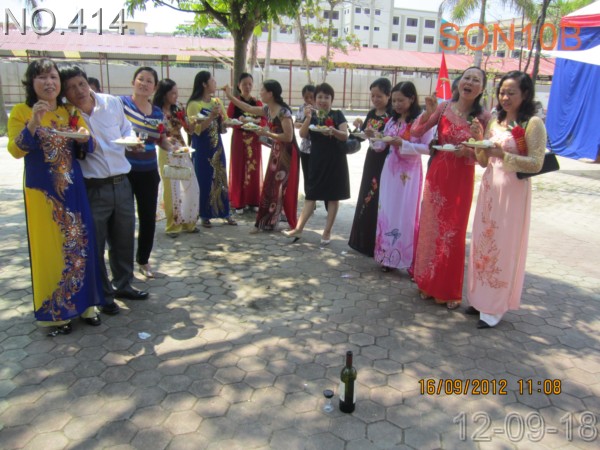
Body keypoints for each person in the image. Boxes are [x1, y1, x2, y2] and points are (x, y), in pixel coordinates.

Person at [7, 58, 104, 336]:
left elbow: (89, 145)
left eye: (53, 77)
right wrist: (34, 123)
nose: (49, 82)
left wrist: (84, 138)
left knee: (81, 244)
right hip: (43, 195)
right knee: (50, 250)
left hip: (74, 190)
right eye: (42, 77)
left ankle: (86, 306)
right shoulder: (21, 111)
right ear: (31, 82)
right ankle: (56, 313)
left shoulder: (68, 111)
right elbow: (15, 150)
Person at [61, 65, 149, 310]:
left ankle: (124, 284)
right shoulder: (66, 115)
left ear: (87, 82)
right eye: (71, 88)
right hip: (92, 188)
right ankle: (103, 295)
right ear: (65, 93)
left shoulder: (111, 103)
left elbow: (126, 129)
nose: (79, 91)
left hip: (122, 183)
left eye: (81, 84)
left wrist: (132, 141)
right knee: (95, 244)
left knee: (123, 240)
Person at [466, 71, 546, 329]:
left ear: (525, 94)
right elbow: (483, 161)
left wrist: (503, 155)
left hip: (513, 193)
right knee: (483, 243)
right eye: (502, 92)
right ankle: (480, 299)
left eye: (511, 92)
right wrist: (478, 141)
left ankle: (495, 307)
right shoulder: (495, 121)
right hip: (489, 189)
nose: (505, 97)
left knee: (503, 246)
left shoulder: (533, 123)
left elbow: (536, 163)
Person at [411, 67, 491, 310]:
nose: (470, 82)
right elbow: (416, 132)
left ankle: (448, 290)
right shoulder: (444, 107)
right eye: (467, 78)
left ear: (481, 89)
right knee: (430, 229)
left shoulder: (484, 117)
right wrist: (427, 113)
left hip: (461, 179)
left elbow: (484, 158)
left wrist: (471, 149)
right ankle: (426, 282)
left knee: (453, 234)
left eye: (476, 80)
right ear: (458, 82)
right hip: (437, 177)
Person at [372, 82, 434, 273]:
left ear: (412, 99)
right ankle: (386, 256)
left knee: (406, 214)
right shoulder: (392, 121)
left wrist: (404, 144)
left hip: (409, 176)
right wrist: (374, 137)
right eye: (394, 100)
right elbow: (381, 146)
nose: (397, 104)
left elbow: (428, 148)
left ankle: (407, 260)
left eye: (401, 100)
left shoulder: (421, 121)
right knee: (387, 211)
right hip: (389, 172)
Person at [224, 79, 299, 233]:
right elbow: (248, 108)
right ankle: (264, 223)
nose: (260, 92)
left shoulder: (283, 112)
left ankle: (282, 223)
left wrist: (267, 133)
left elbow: (288, 137)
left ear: (270, 94)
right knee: (270, 186)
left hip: (288, 153)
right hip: (277, 150)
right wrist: (230, 96)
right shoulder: (268, 109)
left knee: (282, 189)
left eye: (262, 90)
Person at [120, 66, 173, 279]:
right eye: (140, 79)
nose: (144, 84)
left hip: (149, 171)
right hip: (124, 171)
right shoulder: (122, 105)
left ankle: (143, 260)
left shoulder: (157, 113)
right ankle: (122, 266)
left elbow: (161, 140)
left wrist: (174, 148)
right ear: (133, 82)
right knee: (123, 220)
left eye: (149, 81)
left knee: (148, 218)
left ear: (155, 87)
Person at [282, 82, 349, 245]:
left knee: (333, 197)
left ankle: (327, 232)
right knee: (311, 194)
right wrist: (308, 118)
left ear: (332, 99)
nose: (323, 100)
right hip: (317, 159)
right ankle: (298, 229)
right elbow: (303, 134)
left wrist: (333, 131)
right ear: (315, 99)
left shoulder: (337, 114)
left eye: (327, 97)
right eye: (320, 97)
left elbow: (345, 135)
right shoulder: (313, 115)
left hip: (335, 160)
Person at [348, 78, 392, 256]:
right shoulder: (372, 113)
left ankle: (377, 241)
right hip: (371, 158)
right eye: (372, 96)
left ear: (388, 95)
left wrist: (375, 135)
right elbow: (361, 137)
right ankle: (363, 240)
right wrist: (358, 128)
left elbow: (390, 138)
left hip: (386, 160)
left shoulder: (392, 116)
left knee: (379, 197)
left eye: (379, 96)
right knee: (367, 195)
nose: (375, 99)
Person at [187, 71, 237, 228]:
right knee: (204, 178)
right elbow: (196, 130)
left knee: (220, 177)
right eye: (212, 81)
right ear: (204, 84)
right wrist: (211, 117)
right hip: (202, 147)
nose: (215, 83)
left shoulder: (216, 101)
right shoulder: (194, 104)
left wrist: (232, 122)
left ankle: (225, 212)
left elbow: (225, 122)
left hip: (217, 145)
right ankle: (204, 214)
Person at [153, 78, 200, 237]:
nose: (176, 95)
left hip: (182, 149)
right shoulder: (156, 111)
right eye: (173, 93)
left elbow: (189, 130)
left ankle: (189, 221)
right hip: (167, 152)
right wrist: (165, 139)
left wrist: (194, 123)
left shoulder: (178, 108)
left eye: (176, 92)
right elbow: (155, 134)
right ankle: (173, 225)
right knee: (172, 189)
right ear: (164, 94)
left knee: (190, 185)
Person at [227, 72, 263, 213]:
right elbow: (228, 120)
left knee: (254, 168)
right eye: (244, 84)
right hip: (239, 139)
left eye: (250, 84)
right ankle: (239, 202)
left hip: (254, 139)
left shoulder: (257, 103)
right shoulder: (234, 102)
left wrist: (258, 122)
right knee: (239, 168)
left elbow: (264, 120)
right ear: (239, 86)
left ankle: (253, 200)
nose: (247, 87)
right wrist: (239, 121)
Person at [295, 84, 316, 195]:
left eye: (311, 97)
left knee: (317, 176)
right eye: (306, 97)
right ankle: (309, 198)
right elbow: (296, 123)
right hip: (305, 148)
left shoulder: (319, 108)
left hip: (317, 148)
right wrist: (303, 123)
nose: (309, 100)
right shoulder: (302, 108)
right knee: (307, 176)